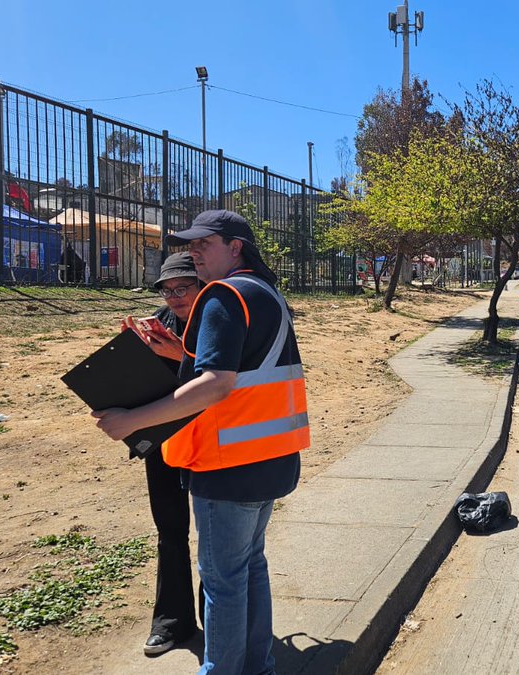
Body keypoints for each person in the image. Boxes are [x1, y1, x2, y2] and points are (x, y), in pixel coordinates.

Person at [93, 210, 307, 675]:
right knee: (250, 569)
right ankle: (259, 668)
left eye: (203, 244)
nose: (192, 253)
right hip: (270, 458)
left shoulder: (223, 296)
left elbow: (215, 385)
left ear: (236, 247)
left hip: (227, 463)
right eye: (189, 245)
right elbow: (245, 371)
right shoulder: (265, 294)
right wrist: (182, 353)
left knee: (224, 583)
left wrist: (132, 420)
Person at [121, 252, 205, 656]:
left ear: (203, 284)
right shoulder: (160, 321)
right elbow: (146, 385)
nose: (173, 297)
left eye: (182, 288)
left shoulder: (219, 320)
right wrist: (132, 354)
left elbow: (228, 384)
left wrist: (183, 356)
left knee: (214, 533)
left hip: (213, 440)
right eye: (167, 289)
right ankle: (173, 622)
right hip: (165, 443)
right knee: (170, 530)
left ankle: (217, 615)